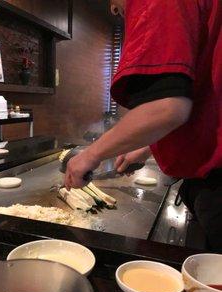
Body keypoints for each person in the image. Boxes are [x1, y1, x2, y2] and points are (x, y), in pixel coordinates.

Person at [65, 0, 222, 251]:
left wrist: (90, 155)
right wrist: (150, 146)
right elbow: (204, 100)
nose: (115, 10)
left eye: (114, 5)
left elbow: (166, 107)